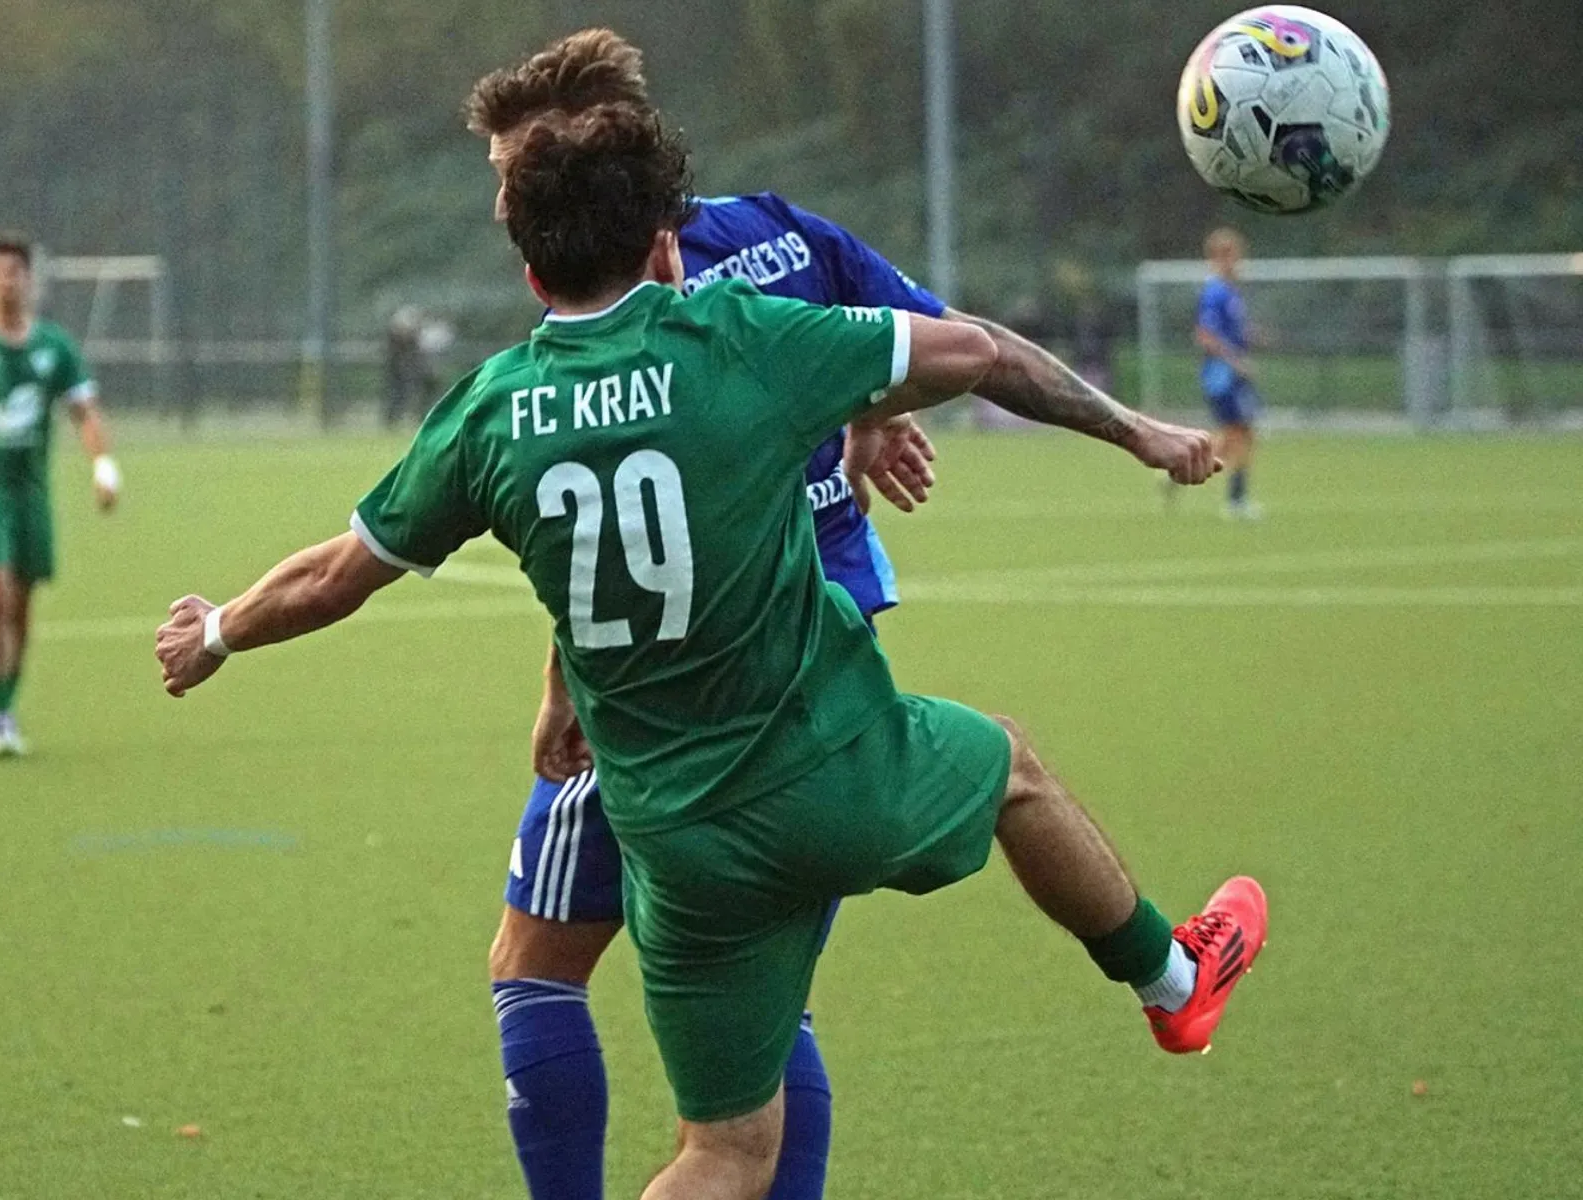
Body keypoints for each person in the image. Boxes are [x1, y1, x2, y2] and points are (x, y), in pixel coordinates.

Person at [156, 106, 1264, 1200]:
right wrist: (1115, 428)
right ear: (664, 247)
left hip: (677, 842)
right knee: (1012, 769)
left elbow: (333, 575)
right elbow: (973, 352)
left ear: (534, 279)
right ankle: (1172, 979)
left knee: (723, 1153)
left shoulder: (488, 412)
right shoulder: (739, 341)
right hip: (835, 773)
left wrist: (213, 633)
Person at [463, 30, 1230, 1200]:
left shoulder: (613, 302)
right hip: (817, 668)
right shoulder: (779, 235)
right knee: (764, 1014)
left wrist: (560, 685)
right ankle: (1168, 979)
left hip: (662, 696)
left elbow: (614, 527)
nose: (515, 202)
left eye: (521, 172)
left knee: (537, 965)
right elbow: (943, 345)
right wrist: (886, 414)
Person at [0, 232, 121, 756]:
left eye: (15, 271)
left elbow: (85, 412)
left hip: (30, 490)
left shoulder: (54, 347)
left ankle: (7, 702)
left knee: (23, 604)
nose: (6, 281)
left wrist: (103, 466)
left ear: (30, 280)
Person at [1194, 228, 1262, 519]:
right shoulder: (1215, 292)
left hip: (1232, 372)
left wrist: (1251, 336)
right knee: (1239, 432)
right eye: (1233, 256)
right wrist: (1236, 361)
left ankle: (1180, 468)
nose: (1238, 262)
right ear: (1219, 258)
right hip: (1222, 374)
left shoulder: (1231, 293)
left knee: (1238, 433)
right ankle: (1236, 500)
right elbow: (1205, 335)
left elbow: (1229, 332)